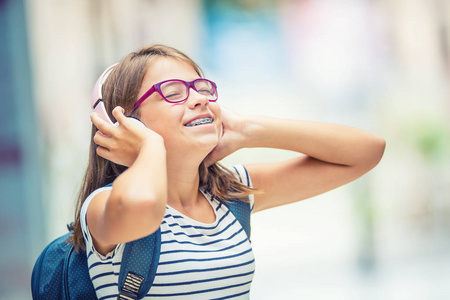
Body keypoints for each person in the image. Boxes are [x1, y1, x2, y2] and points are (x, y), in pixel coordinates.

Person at [71, 44, 385, 299]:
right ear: (125, 122)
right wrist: (149, 149)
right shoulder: (102, 206)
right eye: (173, 91)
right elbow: (143, 208)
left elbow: (367, 151)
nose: (198, 99)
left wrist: (249, 129)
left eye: (201, 87)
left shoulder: (229, 194)